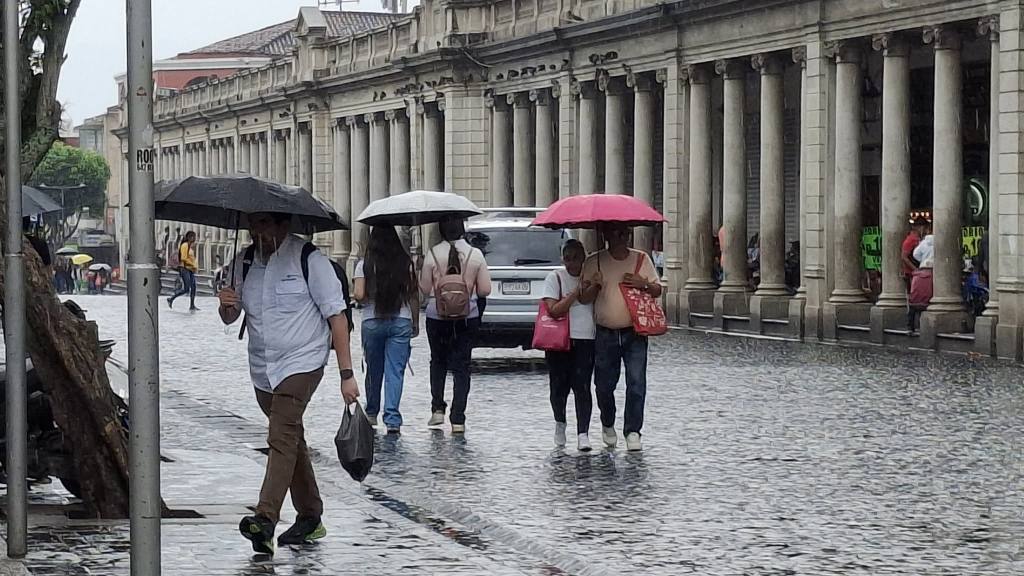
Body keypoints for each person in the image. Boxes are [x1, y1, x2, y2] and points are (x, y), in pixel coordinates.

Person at [217, 211, 359, 555]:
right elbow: (230, 317)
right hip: (263, 368)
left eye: (264, 223)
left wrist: (346, 374)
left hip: (302, 363)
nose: (257, 231)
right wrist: (226, 305)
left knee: (280, 436)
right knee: (291, 437)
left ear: (283, 224)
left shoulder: (309, 260)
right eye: (252, 224)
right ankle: (311, 516)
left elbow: (337, 318)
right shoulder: (244, 262)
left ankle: (265, 520)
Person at [580, 223, 661, 452]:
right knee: (604, 385)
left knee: (636, 382)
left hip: (634, 331)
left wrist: (642, 283)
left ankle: (633, 430)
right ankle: (607, 423)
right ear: (606, 235)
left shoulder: (641, 259)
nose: (622, 237)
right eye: (616, 232)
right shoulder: (593, 261)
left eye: (625, 233)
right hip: (605, 332)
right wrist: (594, 286)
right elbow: (584, 298)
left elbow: (657, 289)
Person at [418, 217, 491, 433]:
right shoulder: (475, 255)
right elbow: (485, 290)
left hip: (436, 317)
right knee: (462, 367)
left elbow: (424, 289)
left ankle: (437, 408)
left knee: (438, 361)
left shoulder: (432, 255)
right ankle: (458, 418)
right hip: (467, 317)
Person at [353, 225, 419, 435]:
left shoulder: (364, 265)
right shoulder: (405, 264)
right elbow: (413, 296)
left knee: (373, 369)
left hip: (372, 320)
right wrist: (415, 322)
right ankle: (392, 418)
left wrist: (373, 293)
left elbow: (359, 294)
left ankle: (371, 412)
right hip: (401, 320)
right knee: (395, 371)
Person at [541, 239, 596, 451]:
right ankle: (560, 423)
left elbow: (592, 300)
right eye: (567, 258)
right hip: (558, 342)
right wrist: (574, 293)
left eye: (575, 258)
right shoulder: (555, 278)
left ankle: (583, 433)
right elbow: (554, 310)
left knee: (582, 386)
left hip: (585, 338)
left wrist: (593, 285)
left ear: (583, 258)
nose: (571, 263)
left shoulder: (591, 277)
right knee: (558, 387)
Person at [908, 234, 935, 334]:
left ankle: (910, 327)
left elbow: (915, 254)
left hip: (923, 267)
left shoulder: (923, 243)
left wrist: (922, 259)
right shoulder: (938, 242)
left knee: (916, 297)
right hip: (933, 269)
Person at [167, 231, 199, 311]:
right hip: (184, 269)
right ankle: (171, 298)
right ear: (190, 237)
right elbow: (183, 258)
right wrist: (192, 264)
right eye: (194, 237)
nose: (195, 239)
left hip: (190, 269)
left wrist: (194, 266)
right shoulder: (184, 245)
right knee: (186, 289)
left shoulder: (189, 246)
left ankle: (192, 305)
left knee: (194, 287)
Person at [901, 217, 930, 292]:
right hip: (911, 273)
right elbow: (904, 257)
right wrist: (915, 269)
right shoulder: (910, 239)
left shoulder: (920, 239)